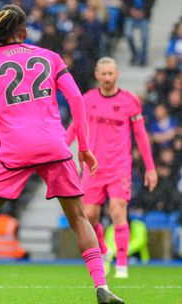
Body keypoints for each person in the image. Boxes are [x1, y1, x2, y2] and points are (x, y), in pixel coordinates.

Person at [0, 5, 124, 304]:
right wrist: (82, 147)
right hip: (54, 146)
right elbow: (78, 100)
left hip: (14, 149)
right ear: (24, 33)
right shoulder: (50, 57)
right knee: (79, 218)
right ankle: (102, 287)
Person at [66, 57, 157, 278]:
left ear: (117, 74)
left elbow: (140, 135)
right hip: (93, 167)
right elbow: (74, 128)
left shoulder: (130, 101)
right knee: (89, 216)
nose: (107, 78)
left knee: (118, 210)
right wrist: (61, 149)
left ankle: (123, 265)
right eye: (103, 74)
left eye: (111, 73)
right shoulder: (86, 100)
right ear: (97, 75)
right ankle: (105, 252)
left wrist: (150, 167)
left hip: (119, 166)